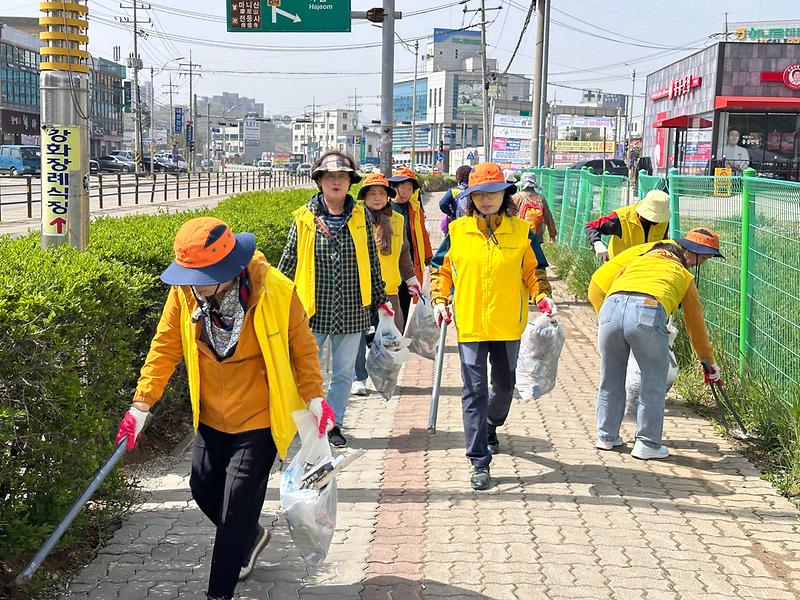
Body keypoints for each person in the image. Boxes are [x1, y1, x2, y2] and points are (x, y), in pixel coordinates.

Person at [114, 217, 335, 600]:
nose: (193, 285)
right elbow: (164, 347)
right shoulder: (185, 294)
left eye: (202, 276)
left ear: (229, 270)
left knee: (235, 508)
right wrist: (141, 404)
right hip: (213, 415)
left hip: (259, 417)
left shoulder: (277, 291)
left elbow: (303, 350)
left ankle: (219, 592)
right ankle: (251, 535)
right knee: (201, 488)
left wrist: (315, 397)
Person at [430, 162, 556, 490]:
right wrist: (439, 299)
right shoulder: (458, 231)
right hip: (470, 324)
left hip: (507, 324)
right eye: (479, 195)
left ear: (505, 195)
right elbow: (442, 271)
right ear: (471, 198)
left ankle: (491, 424)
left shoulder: (521, 232)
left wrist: (542, 296)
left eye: (493, 193)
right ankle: (478, 460)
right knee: (474, 391)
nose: (486, 200)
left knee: (504, 387)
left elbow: (534, 271)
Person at [278, 151, 393, 447]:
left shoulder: (360, 216)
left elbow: (371, 258)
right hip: (312, 309)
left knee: (342, 373)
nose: (336, 182)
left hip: (353, 308)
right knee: (310, 372)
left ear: (350, 182)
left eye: (342, 176)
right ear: (319, 181)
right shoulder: (304, 218)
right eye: (330, 176)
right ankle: (308, 423)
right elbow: (290, 259)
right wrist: (276, 298)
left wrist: (381, 298)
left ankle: (334, 424)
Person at [589, 227, 725, 460]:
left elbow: (596, 285)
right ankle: (648, 443)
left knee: (610, 376)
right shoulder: (683, 275)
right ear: (691, 252)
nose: (701, 264)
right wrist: (707, 362)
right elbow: (695, 325)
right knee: (653, 380)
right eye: (703, 258)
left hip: (611, 308)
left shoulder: (641, 254)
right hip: (647, 311)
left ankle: (606, 436)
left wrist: (608, 319)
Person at [352, 173, 422, 396]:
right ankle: (358, 378)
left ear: (388, 196)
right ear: (364, 196)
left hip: (389, 288)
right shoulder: (354, 219)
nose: (377, 197)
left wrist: (411, 280)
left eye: (382, 193)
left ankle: (385, 376)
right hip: (360, 289)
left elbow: (403, 253)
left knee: (393, 337)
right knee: (357, 337)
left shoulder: (397, 220)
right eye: (372, 193)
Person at [389, 166, 433, 329]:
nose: (406, 192)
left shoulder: (415, 208)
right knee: (389, 307)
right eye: (403, 187)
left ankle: (398, 339)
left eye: (410, 188)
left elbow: (423, 233)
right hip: (390, 267)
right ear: (394, 187)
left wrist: (428, 257)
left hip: (409, 266)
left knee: (405, 305)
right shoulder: (384, 207)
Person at [585, 189, 671, 261]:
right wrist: (597, 243)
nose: (653, 221)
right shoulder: (622, 218)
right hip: (618, 269)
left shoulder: (663, 222)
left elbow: (663, 242)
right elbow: (592, 226)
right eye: (649, 217)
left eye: (656, 219)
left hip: (646, 270)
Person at [511, 172, 558, 243]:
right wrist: (552, 235)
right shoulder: (540, 198)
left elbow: (508, 214)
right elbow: (548, 217)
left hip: (520, 235)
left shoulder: (517, 197)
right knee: (534, 253)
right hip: (537, 236)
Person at [438, 165, 472, 232]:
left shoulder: (453, 191)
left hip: (457, 221)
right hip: (472, 223)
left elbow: (442, 203)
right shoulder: (475, 190)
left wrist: (450, 214)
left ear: (458, 177)